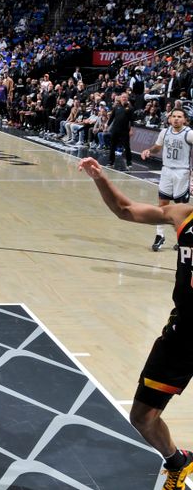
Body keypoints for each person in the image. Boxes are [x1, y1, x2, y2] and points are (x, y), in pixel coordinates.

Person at [78, 156, 193, 490]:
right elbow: (124, 210)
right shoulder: (182, 214)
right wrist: (99, 177)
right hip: (182, 335)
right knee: (142, 416)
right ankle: (178, 461)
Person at [140, 109, 192, 252]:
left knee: (181, 209)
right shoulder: (165, 132)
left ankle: (182, 238)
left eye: (179, 117)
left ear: (185, 120)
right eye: (174, 116)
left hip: (182, 172)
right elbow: (158, 147)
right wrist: (149, 151)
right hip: (167, 170)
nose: (176, 119)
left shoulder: (189, 134)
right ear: (169, 119)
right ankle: (160, 235)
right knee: (162, 205)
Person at [108, 92, 134, 170]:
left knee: (127, 147)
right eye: (123, 97)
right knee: (112, 146)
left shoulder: (130, 108)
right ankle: (111, 162)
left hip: (125, 131)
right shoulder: (116, 107)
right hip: (115, 129)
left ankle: (129, 163)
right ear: (120, 98)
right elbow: (112, 117)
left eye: (125, 97)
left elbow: (132, 121)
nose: (124, 98)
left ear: (127, 99)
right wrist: (107, 125)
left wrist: (131, 130)